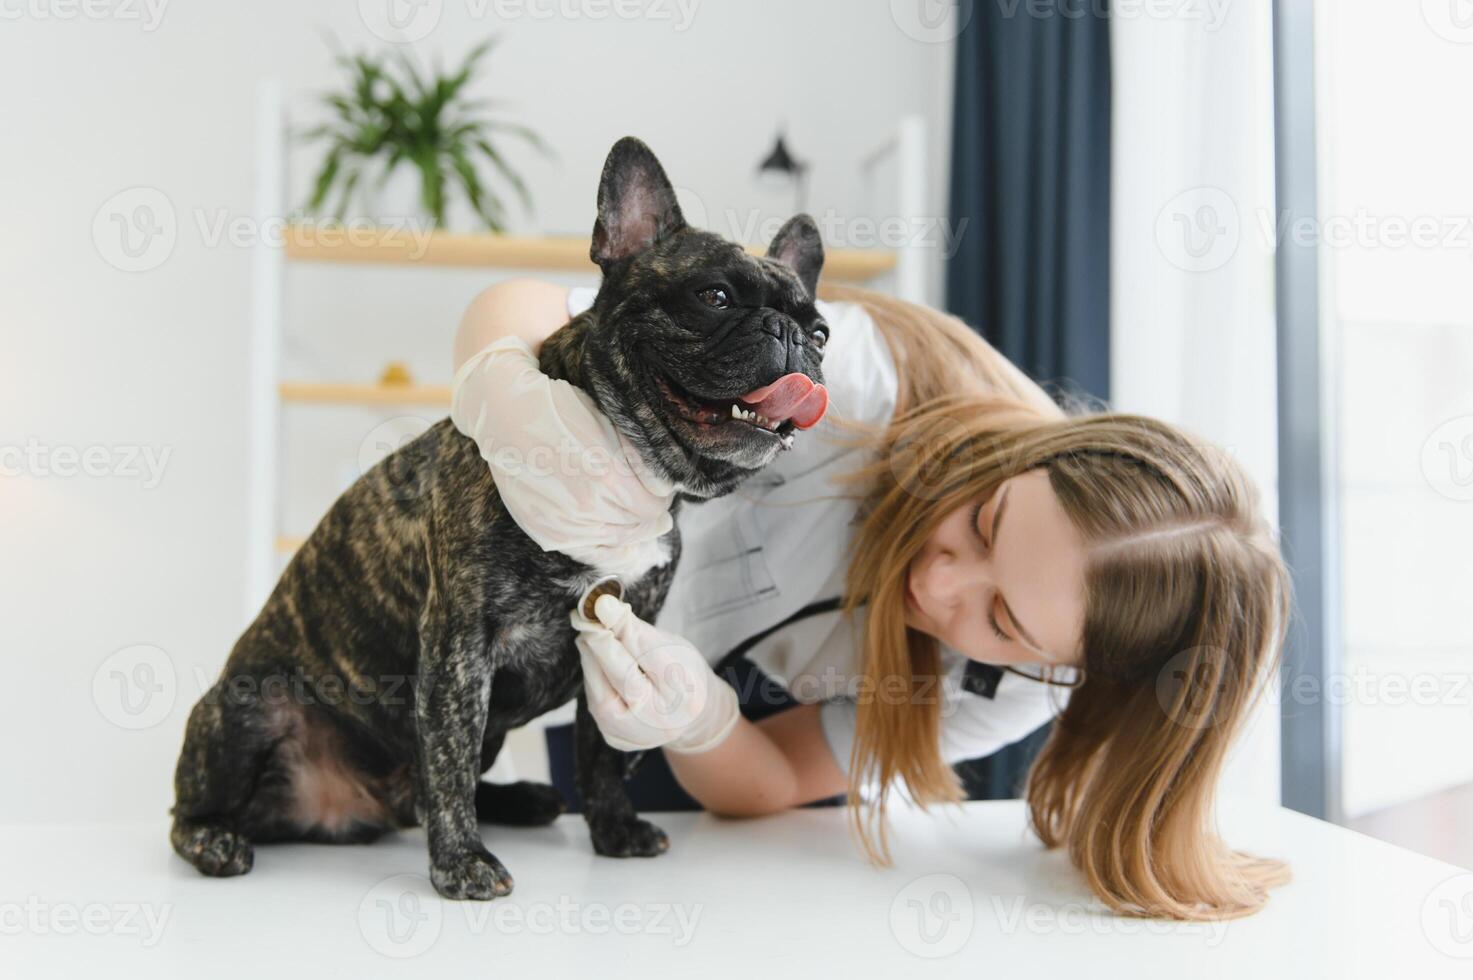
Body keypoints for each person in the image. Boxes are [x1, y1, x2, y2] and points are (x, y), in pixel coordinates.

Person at [449, 277, 1292, 921]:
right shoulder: (854, 379)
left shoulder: (1014, 691)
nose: (937, 584)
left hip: (648, 742)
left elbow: (773, 778)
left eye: (1001, 621)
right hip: (523, 606)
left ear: (1067, 670)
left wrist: (696, 716)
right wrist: (501, 389)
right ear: (1046, 449)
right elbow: (520, 299)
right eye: (987, 521)